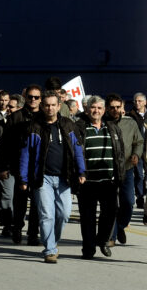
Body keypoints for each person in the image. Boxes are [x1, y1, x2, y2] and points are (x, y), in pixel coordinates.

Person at [19, 90, 86, 263]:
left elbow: (77, 150)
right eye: (47, 105)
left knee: (63, 214)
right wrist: (24, 178)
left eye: (53, 105)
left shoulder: (68, 125)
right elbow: (25, 154)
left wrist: (81, 171)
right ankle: (49, 249)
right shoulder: (34, 127)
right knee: (46, 214)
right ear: (42, 106)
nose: (50, 108)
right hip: (43, 179)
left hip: (65, 178)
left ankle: (52, 242)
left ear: (59, 106)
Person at [75, 94, 125, 258]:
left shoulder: (112, 127)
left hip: (108, 181)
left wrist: (120, 174)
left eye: (99, 108)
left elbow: (120, 153)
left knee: (110, 213)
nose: (96, 111)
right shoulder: (80, 127)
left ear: (104, 110)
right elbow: (75, 153)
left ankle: (102, 240)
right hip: (87, 181)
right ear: (87, 109)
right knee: (87, 218)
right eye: (93, 107)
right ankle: (88, 249)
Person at [0, 84, 42, 244]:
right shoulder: (15, 118)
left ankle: (33, 234)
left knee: (37, 202)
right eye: (30, 97)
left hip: (39, 167)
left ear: (40, 99)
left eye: (36, 97)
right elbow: (4, 144)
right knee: (20, 202)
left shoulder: (45, 117)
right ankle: (17, 229)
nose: (33, 100)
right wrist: (3, 166)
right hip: (19, 166)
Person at [106, 93, 142, 244]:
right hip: (109, 170)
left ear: (123, 108)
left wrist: (136, 154)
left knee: (128, 202)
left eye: (118, 107)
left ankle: (121, 226)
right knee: (112, 204)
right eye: (112, 107)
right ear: (107, 108)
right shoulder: (102, 123)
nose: (115, 110)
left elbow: (139, 141)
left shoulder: (130, 123)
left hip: (126, 168)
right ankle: (111, 237)